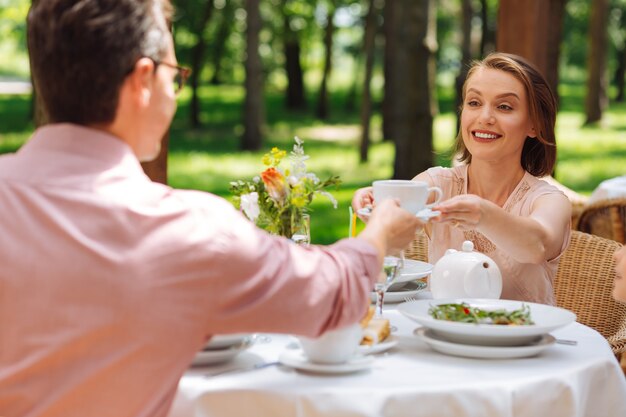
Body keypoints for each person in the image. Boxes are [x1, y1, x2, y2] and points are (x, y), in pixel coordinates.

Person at [0, 1, 421, 416]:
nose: (175, 92)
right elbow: (334, 292)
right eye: (175, 76)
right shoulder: (187, 229)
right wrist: (380, 232)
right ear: (143, 80)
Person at [353, 52, 571, 305]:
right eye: (474, 103)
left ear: (534, 125)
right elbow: (385, 249)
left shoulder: (548, 200)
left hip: (523, 341)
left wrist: (484, 215)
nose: (484, 117)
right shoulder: (437, 185)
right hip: (443, 336)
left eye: (504, 107)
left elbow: (537, 245)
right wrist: (377, 203)